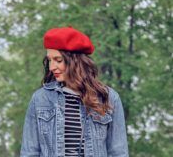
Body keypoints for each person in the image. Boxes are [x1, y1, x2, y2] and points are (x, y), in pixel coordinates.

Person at [20, 26, 129, 157]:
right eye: (49, 60)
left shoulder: (109, 98)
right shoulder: (40, 99)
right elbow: (29, 152)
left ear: (76, 61)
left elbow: (118, 152)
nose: (52, 67)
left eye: (58, 60)